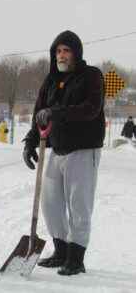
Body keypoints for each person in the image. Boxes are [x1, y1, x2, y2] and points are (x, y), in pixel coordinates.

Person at [22, 30, 105, 276]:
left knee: (78, 204)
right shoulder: (50, 81)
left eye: (66, 50)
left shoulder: (91, 76)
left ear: (76, 53)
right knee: (51, 203)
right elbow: (39, 113)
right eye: (58, 51)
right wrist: (30, 141)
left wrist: (56, 114)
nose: (62, 55)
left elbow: (91, 109)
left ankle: (76, 257)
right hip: (56, 149)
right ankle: (60, 251)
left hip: (83, 148)